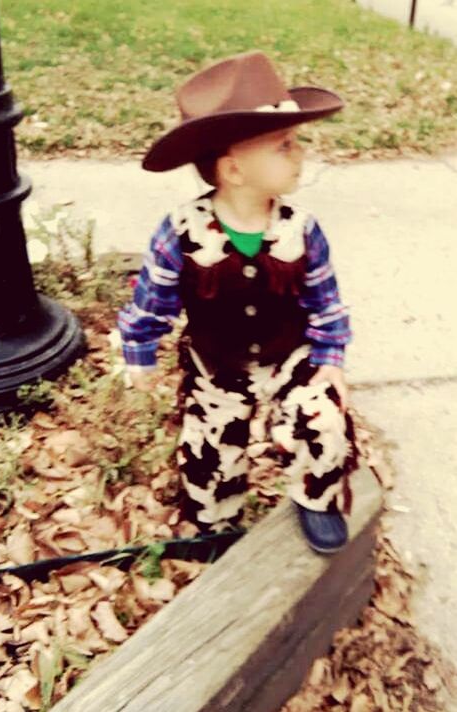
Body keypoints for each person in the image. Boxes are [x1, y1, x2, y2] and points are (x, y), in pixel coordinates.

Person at [118, 50, 359, 554]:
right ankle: (216, 516)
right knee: (209, 453)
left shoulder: (302, 228)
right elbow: (151, 301)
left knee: (325, 422)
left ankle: (316, 496)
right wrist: (139, 357)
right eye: (284, 145)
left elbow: (326, 301)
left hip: (291, 359)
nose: (300, 154)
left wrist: (330, 359)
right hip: (217, 368)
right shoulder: (180, 233)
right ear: (233, 169)